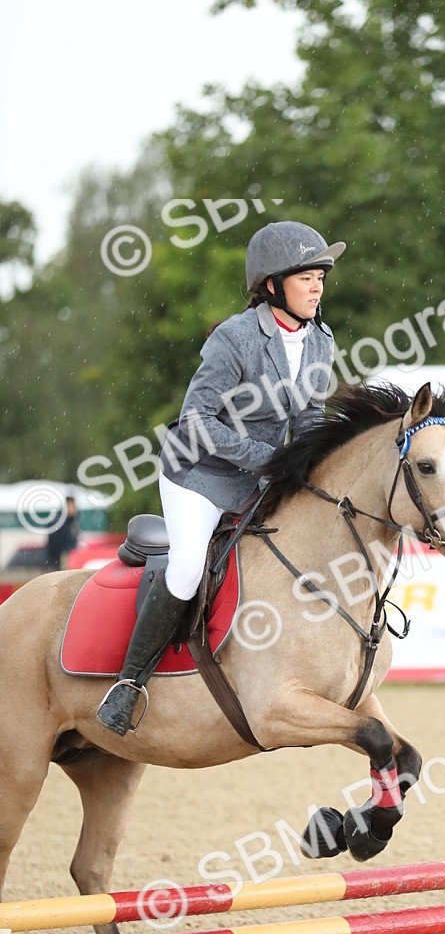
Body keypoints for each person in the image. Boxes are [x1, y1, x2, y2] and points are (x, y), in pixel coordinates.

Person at [96, 220, 346, 736]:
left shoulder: (320, 340)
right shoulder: (235, 338)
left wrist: (314, 469)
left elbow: (309, 421)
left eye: (321, 275)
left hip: (260, 476)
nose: (318, 285)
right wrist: (266, 459)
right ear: (273, 285)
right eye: (307, 277)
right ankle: (129, 683)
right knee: (188, 567)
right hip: (198, 474)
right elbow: (196, 421)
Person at [45, 495, 79, 570]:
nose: (72, 509)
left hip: (70, 560)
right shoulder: (58, 523)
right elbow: (54, 546)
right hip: (58, 562)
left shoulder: (73, 523)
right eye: (70, 506)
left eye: (73, 506)